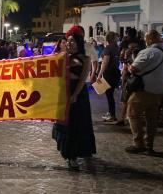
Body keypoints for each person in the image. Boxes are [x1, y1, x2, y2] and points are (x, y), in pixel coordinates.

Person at [52, 33, 96, 170]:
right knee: (66, 124)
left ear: (79, 43)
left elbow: (83, 80)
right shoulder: (62, 57)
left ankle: (78, 154)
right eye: (68, 41)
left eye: (72, 41)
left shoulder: (86, 59)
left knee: (78, 124)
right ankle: (70, 155)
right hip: (63, 93)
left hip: (77, 94)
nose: (69, 43)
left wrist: (75, 94)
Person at [126, 30, 163, 154]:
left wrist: (129, 64)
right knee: (151, 119)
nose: (145, 41)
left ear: (150, 39)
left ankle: (138, 143)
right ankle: (149, 145)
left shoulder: (148, 52)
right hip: (158, 91)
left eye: (146, 38)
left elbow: (134, 69)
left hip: (143, 90)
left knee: (132, 113)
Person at [97, 32, 121, 122]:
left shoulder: (108, 48)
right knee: (110, 94)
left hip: (109, 73)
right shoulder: (117, 48)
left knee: (109, 95)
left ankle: (112, 115)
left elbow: (105, 62)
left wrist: (99, 75)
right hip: (116, 73)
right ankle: (111, 112)